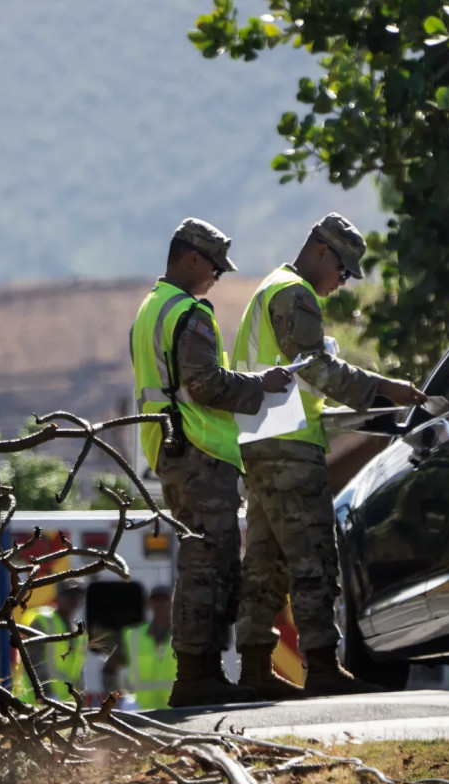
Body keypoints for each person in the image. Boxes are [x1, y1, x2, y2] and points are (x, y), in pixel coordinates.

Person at [232, 213, 427, 698]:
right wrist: (384, 391)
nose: (342, 283)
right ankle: (321, 665)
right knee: (314, 555)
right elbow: (315, 367)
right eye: (343, 270)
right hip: (288, 449)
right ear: (322, 251)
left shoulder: (271, 289)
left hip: (262, 442)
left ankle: (255, 666)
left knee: (266, 560)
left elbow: (300, 381)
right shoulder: (294, 293)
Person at [129, 218, 293, 707]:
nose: (218, 277)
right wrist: (263, 386)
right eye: (215, 267)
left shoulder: (150, 308)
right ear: (191, 259)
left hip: (173, 448)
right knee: (209, 564)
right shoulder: (189, 312)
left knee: (208, 560)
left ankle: (203, 672)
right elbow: (207, 386)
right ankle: (197, 673)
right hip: (199, 449)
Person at [13, 579, 86, 703]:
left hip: (65, 704)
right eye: (68, 595)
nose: (73, 600)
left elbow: (77, 672)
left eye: (78, 596)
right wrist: (47, 695)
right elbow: (34, 662)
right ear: (58, 596)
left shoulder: (78, 631)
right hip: (35, 702)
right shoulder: (43, 621)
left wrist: (80, 699)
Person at [115, 584, 178, 710]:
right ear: (149, 604)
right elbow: (109, 669)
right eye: (155, 600)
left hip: (175, 711)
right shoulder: (133, 636)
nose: (159, 604)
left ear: (173, 603)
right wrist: (117, 699)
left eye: (164, 600)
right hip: (141, 712)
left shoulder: (184, 636)